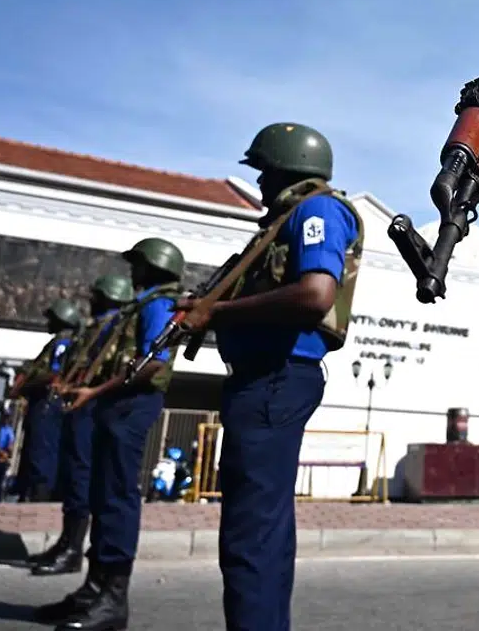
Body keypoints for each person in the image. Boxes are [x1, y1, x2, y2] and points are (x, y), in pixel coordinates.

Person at [175, 122, 363, 631]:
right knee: (263, 535)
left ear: (285, 170)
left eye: (264, 173)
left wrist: (216, 316)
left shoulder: (316, 210)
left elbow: (315, 294)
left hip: (274, 379)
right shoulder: (287, 219)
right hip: (269, 380)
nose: (258, 184)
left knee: (249, 537)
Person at [35, 240, 185, 631]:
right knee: (102, 496)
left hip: (131, 404)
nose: (133, 272)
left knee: (117, 497)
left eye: (138, 265)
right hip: (116, 402)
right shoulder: (143, 304)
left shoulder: (159, 304)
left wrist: (96, 392)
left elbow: (154, 363)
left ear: (153, 268)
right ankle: (95, 589)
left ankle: (113, 599)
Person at [30, 275, 136, 577]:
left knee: (80, 473)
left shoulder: (113, 325)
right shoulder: (94, 327)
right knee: (71, 471)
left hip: (89, 403)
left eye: (96, 294)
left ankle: (74, 549)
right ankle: (66, 543)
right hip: (76, 402)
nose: (91, 299)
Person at [7, 298, 84, 502]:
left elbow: (54, 375)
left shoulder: (62, 344)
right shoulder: (57, 342)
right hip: (42, 402)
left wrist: (24, 385)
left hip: (48, 403)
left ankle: (39, 495)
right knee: (36, 450)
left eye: (53, 319)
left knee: (42, 452)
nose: (48, 322)